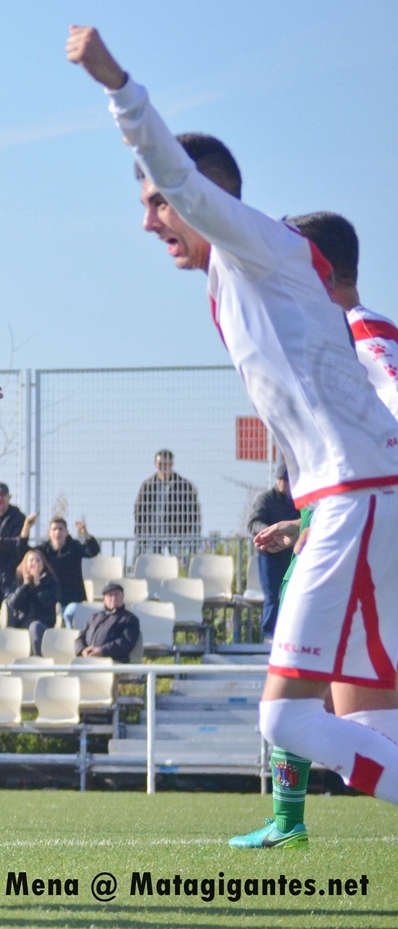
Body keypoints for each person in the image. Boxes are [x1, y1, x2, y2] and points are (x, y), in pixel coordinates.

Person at [70, 27, 398, 825]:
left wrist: (116, 84)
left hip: (358, 495)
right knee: (367, 728)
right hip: (346, 497)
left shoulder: (251, 245)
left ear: (200, 196)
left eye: (155, 200)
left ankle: (289, 814)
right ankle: (290, 818)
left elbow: (181, 179)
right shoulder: (235, 276)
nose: (150, 219)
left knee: (286, 718)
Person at [230, 212, 398, 849]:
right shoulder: (334, 337)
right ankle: (288, 819)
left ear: (316, 267)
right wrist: (303, 521)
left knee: (302, 704)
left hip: (368, 529)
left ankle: (288, 819)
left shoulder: (362, 332)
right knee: (353, 714)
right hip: (347, 522)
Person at [248, 464, 300, 639]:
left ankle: (289, 635)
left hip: (292, 555)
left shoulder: (299, 501)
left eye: (288, 480)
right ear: (277, 481)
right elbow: (254, 523)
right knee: (272, 596)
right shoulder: (266, 499)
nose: (286, 484)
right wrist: (269, 531)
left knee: (292, 595)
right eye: (282, 480)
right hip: (270, 556)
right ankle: (269, 635)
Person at [132, 449, 200, 554]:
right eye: (160, 463)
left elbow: (193, 511)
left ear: (171, 464)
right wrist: (142, 531)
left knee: (178, 563)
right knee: (153, 565)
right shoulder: (148, 485)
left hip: (176, 534)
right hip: (153, 534)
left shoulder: (184, 485)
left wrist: (186, 532)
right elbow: (139, 509)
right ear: (155, 464)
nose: (163, 467)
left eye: (166, 463)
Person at [35, 517, 100, 626]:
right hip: (51, 600)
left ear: (66, 532)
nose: (57, 532)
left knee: (70, 614)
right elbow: (24, 551)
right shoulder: (44, 550)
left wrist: (85, 533)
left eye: (61, 529)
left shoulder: (74, 547)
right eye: (54, 529)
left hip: (73, 598)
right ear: (49, 533)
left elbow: (93, 550)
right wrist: (26, 528)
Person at [5, 549, 61, 656]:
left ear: (43, 564)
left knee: (34, 627)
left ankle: (37, 659)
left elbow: (49, 603)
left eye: (38, 560)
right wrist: (25, 584)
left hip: (42, 625)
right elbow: (13, 603)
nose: (34, 563)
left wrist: (38, 584)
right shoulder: (17, 581)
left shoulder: (51, 582)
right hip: (21, 624)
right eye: (31, 560)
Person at [75, 582, 140, 663]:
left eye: (117, 594)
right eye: (110, 595)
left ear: (123, 596)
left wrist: (102, 651)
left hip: (113, 661)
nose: (113, 598)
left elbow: (125, 643)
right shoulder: (94, 617)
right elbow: (80, 638)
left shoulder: (129, 619)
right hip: (87, 659)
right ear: (104, 599)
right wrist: (82, 650)